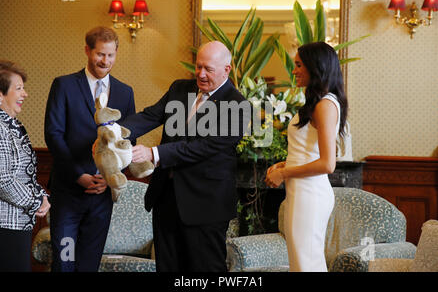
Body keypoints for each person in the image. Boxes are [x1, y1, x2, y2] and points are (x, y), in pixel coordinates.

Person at [120, 41, 250, 272]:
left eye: (208, 69)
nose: (200, 74)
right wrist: (113, 131)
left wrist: (153, 153)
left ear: (226, 70)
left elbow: (203, 147)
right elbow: (150, 116)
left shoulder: (238, 105)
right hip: (166, 198)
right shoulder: (180, 88)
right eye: (198, 66)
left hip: (205, 204)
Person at [44, 26, 136, 272]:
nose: (105, 61)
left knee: (88, 265)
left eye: (110, 55)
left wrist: (110, 178)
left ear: (116, 53)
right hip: (67, 194)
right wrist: (79, 176)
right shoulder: (63, 85)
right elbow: (53, 135)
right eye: (100, 54)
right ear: (87, 50)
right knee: (64, 263)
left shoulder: (125, 93)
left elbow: (128, 142)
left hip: (101, 198)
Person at [265, 42, 348, 272]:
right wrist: (283, 164)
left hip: (310, 193)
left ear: (316, 67)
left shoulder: (325, 105)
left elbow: (327, 163)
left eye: (299, 65)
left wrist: (284, 173)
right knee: (301, 263)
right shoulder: (317, 103)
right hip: (300, 191)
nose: (294, 71)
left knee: (306, 265)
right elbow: (308, 151)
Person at [0, 60, 50, 272]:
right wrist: (36, 200)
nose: (25, 94)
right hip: (5, 224)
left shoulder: (14, 126)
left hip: (18, 222)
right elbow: (3, 180)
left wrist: (42, 195)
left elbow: (24, 175)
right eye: (18, 89)